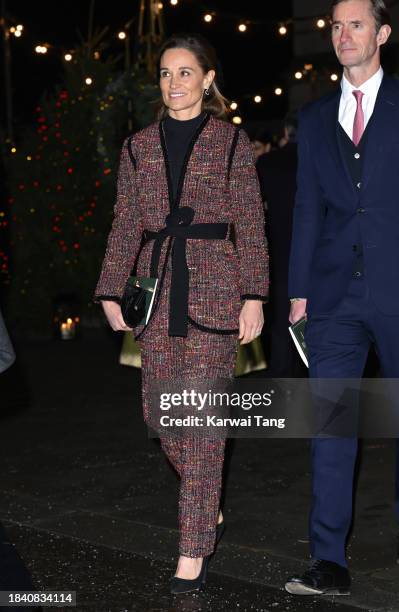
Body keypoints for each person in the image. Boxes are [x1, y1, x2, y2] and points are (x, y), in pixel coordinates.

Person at [94, 33, 268, 593]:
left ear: (208, 79)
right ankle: (205, 499)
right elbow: (125, 222)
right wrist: (108, 290)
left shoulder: (232, 142)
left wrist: (255, 295)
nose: (174, 84)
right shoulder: (138, 146)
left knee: (203, 423)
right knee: (164, 417)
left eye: (185, 72)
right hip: (154, 288)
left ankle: (192, 549)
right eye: (166, 74)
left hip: (216, 287)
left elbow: (251, 222)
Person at [285, 0, 396, 596]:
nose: (343, 34)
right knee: (331, 425)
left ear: (381, 33)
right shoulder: (315, 118)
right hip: (332, 297)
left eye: (355, 23)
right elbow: (307, 208)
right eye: (335, 25)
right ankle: (328, 560)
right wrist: (299, 292)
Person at [256, 112, 306, 378]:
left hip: (277, 248)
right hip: (314, 252)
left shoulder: (267, 163)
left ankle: (282, 377)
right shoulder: (322, 162)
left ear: (286, 132)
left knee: (279, 318)